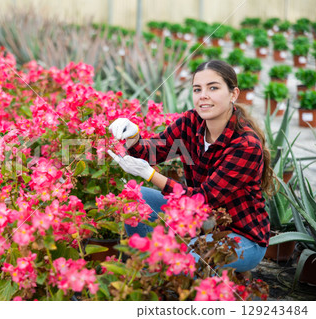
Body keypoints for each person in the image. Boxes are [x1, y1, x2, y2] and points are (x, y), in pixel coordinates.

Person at [107, 60, 275, 272]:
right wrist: (132, 135)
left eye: (213, 88)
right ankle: (142, 268)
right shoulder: (191, 122)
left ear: (233, 94)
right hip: (201, 225)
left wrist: (151, 175)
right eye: (198, 89)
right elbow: (153, 151)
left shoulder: (245, 145)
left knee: (190, 259)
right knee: (136, 196)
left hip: (241, 236)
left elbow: (203, 199)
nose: (203, 95)